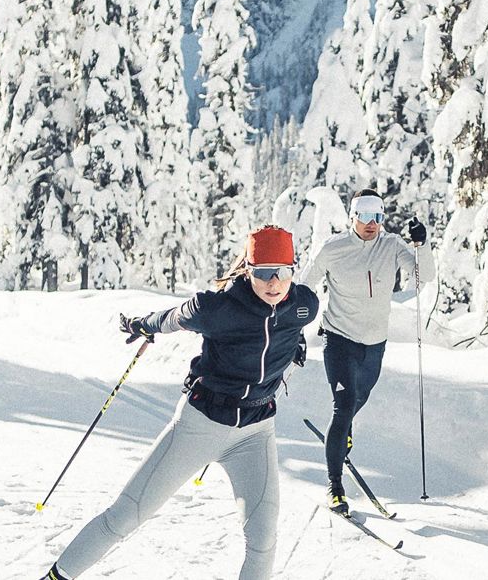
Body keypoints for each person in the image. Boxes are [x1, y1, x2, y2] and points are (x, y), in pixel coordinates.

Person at [40, 225, 319, 580]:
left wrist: (295, 345)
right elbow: (173, 318)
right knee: (126, 515)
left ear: (293, 270)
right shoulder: (217, 309)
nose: (274, 282)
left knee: (263, 539)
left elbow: (286, 329)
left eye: (282, 272)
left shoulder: (304, 306)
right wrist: (144, 325)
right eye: (264, 272)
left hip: (256, 432)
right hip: (201, 425)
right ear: (248, 270)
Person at [300, 189, 434, 515]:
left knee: (360, 397)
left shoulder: (392, 246)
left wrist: (422, 245)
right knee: (344, 406)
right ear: (352, 217)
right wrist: (293, 330)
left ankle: (343, 432)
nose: (372, 223)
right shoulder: (333, 248)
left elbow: (425, 276)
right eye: (364, 215)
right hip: (339, 340)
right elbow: (304, 287)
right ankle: (335, 486)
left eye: (378, 216)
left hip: (375, 343)